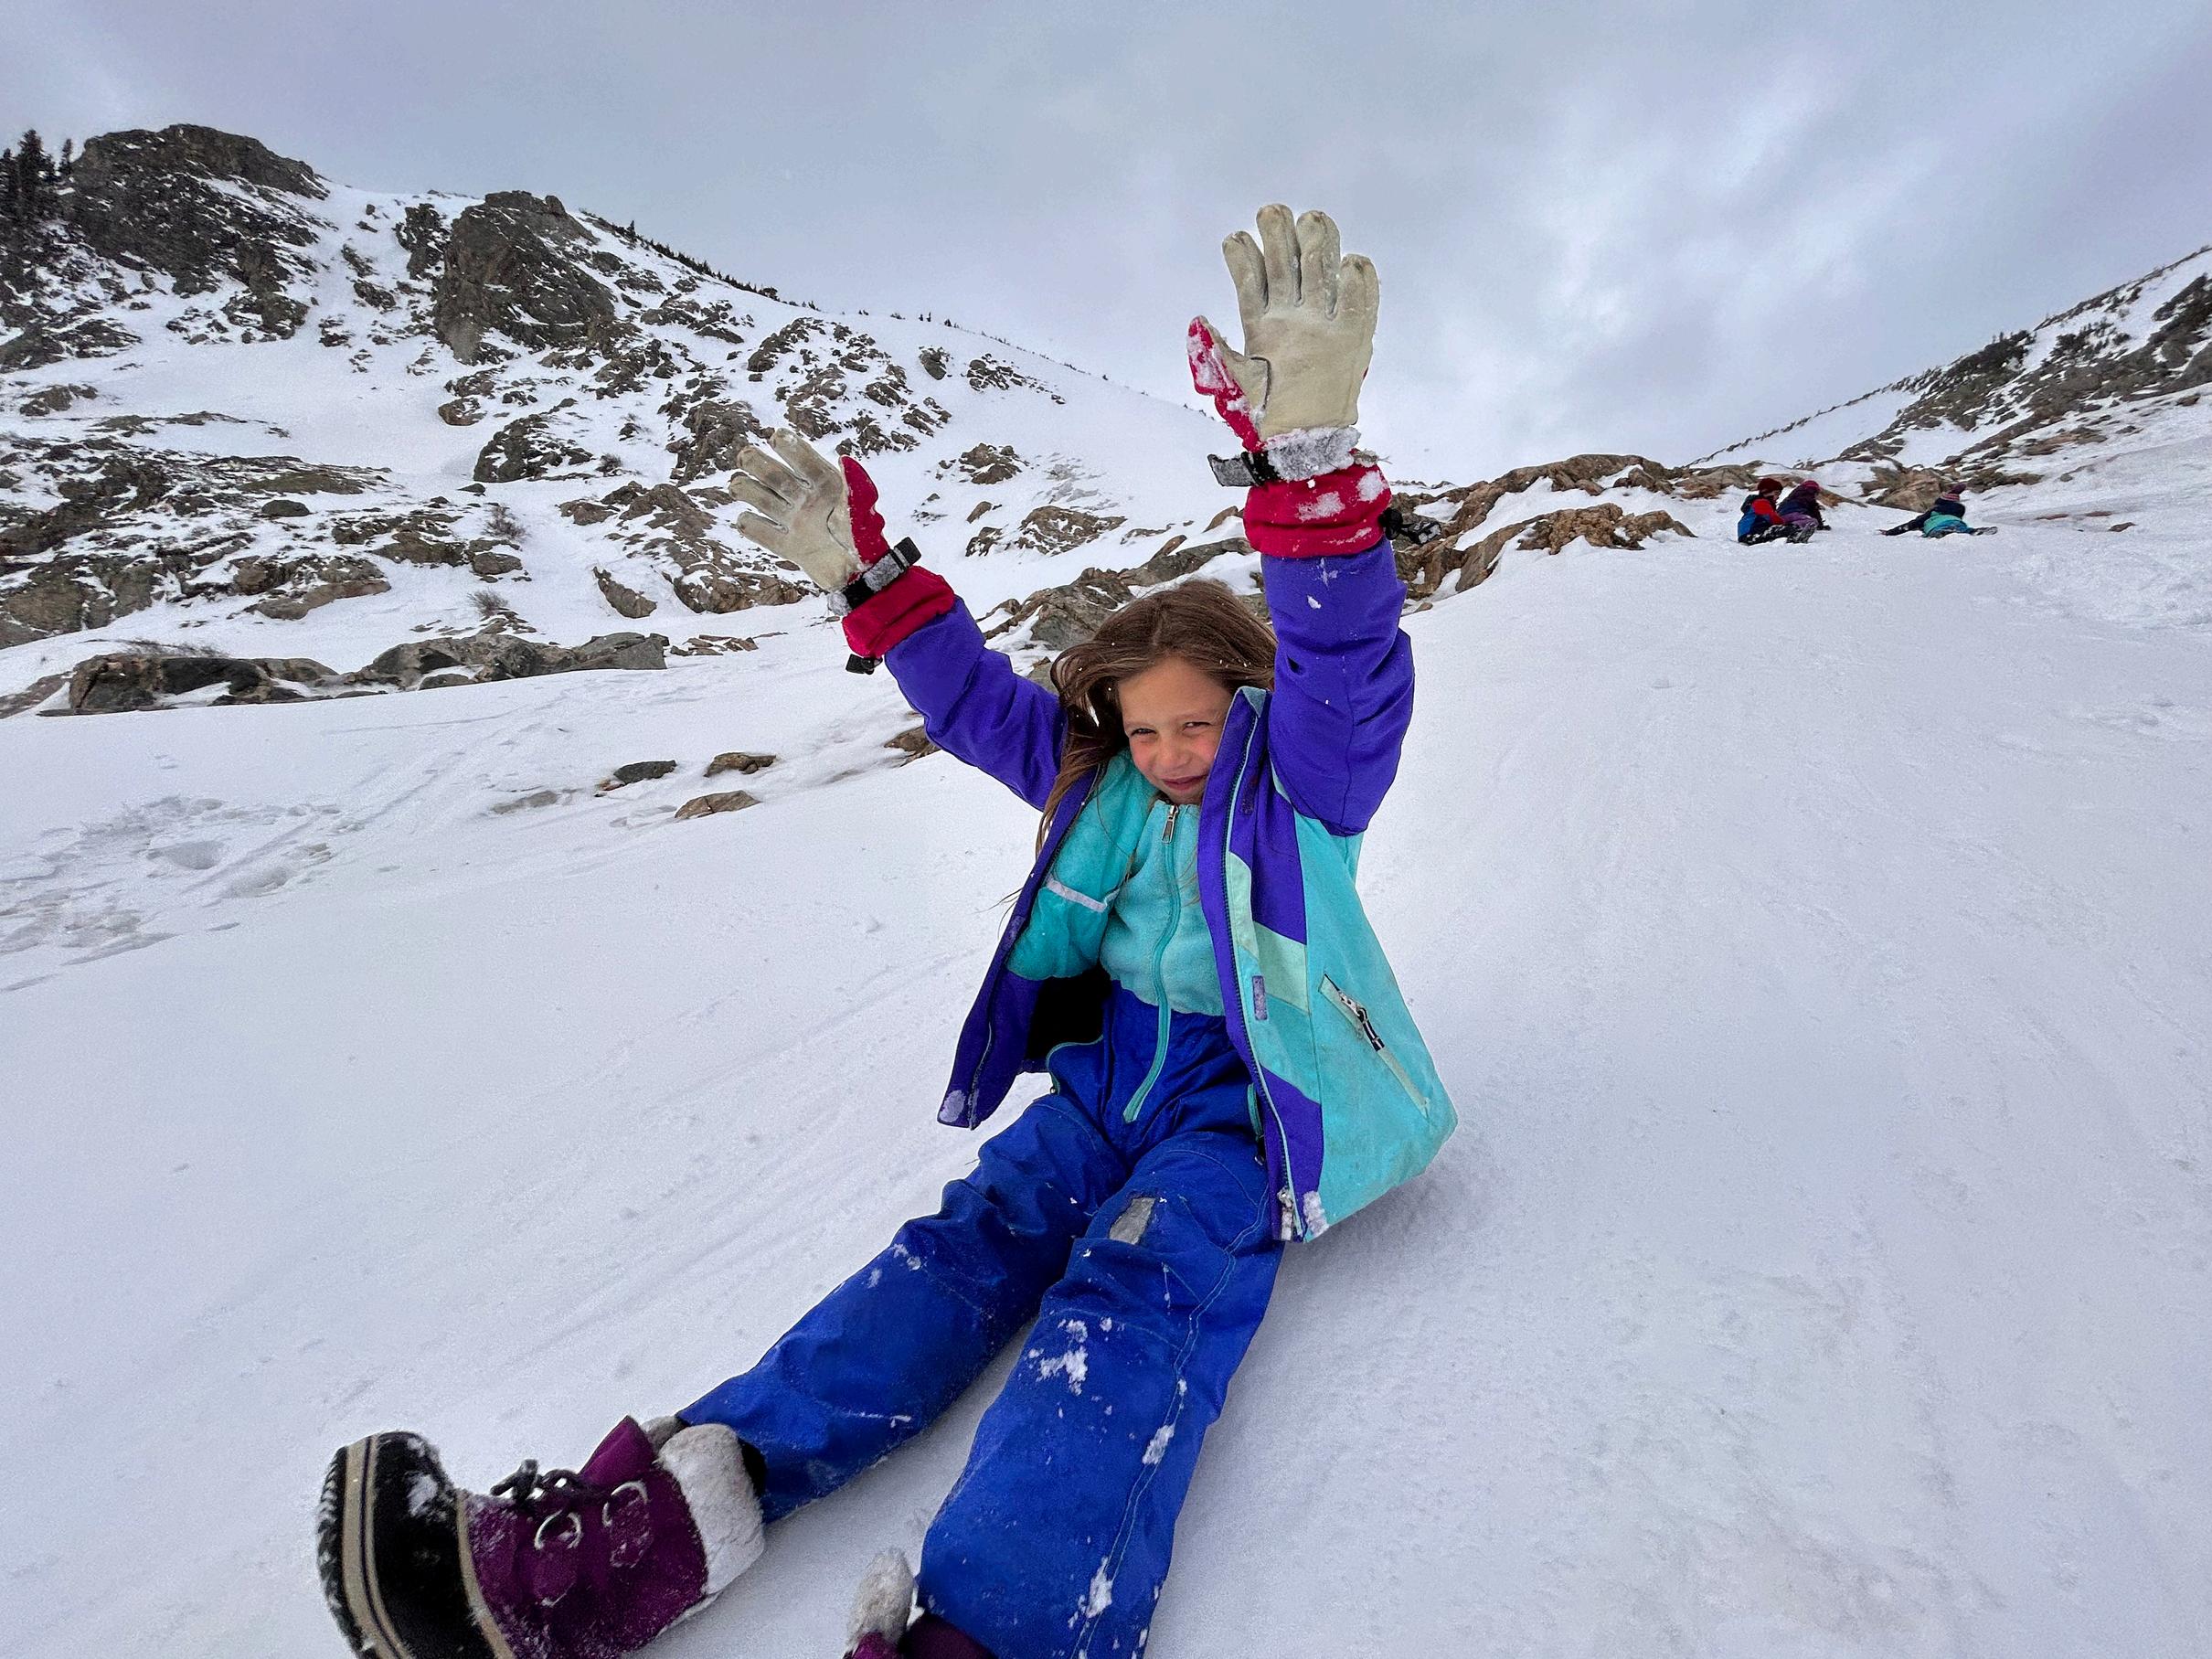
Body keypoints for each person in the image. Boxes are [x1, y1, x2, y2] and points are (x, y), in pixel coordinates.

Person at [316, 207, 1457, 1659]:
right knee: (957, 1248)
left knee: (1129, 1302)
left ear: (1250, 697)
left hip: (1242, 1106)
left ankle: (991, 1630)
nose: (1173, 751)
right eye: (1146, 726)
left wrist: (1311, 476)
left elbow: (1350, 662)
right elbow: (977, 700)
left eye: (1198, 721)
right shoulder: (1098, 783)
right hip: (1109, 1079)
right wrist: (870, 581)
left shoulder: (1305, 781)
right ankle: (619, 1554)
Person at [1883, 486, 1993, 537]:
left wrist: (1890, 532)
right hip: (1956, 522)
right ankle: (1972, 531)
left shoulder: (1934, 511)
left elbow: (1912, 524)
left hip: (1936, 524)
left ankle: (1942, 532)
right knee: (1960, 528)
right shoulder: (1959, 510)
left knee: (1939, 529)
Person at [1737, 475, 1809, 544]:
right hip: (1750, 535)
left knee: (1780, 530)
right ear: (1766, 492)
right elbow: (1772, 518)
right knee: (1783, 530)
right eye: (1776, 493)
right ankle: (1794, 537)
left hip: (1751, 534)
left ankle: (1793, 535)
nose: (1778, 497)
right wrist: (1785, 524)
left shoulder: (1760, 502)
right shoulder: (1761, 503)